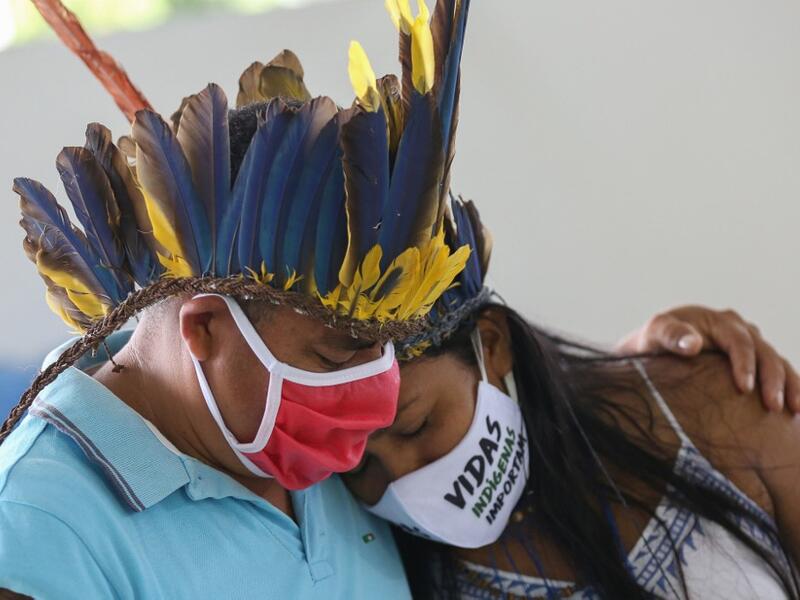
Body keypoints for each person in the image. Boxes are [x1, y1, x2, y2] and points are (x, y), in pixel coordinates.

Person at [1, 2, 796, 599]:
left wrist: (658, 370)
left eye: (393, 376)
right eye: (339, 355)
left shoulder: (286, 444)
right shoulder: (35, 531)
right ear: (208, 329)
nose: (362, 439)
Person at [343, 196, 800, 598]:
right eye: (359, 464)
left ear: (493, 345)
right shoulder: (373, 560)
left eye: (416, 424)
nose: (401, 477)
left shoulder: (709, 400)